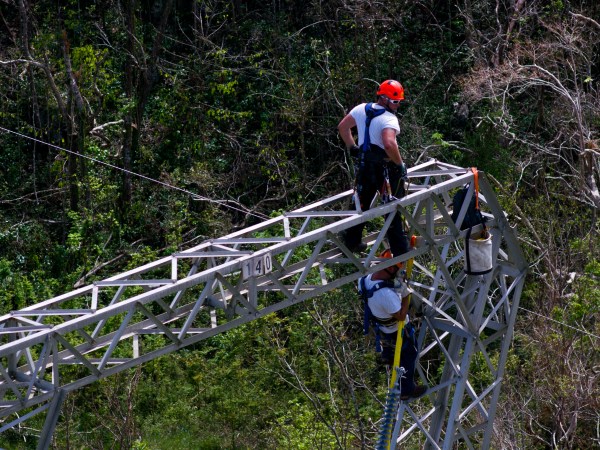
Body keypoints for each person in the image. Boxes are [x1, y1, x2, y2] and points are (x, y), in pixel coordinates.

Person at [338, 79, 409, 256]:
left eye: (398, 102)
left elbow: (343, 127)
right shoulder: (389, 119)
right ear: (384, 99)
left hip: (364, 166)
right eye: (395, 101)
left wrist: (353, 147)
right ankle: (399, 248)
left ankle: (351, 241)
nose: (397, 106)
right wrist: (399, 165)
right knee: (391, 206)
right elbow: (389, 144)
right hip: (384, 169)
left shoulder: (361, 109)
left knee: (361, 203)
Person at [359, 260, 426, 400]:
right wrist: (406, 295)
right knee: (409, 355)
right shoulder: (385, 295)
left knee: (390, 343)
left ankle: (388, 355)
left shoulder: (366, 278)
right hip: (395, 329)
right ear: (388, 270)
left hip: (381, 325)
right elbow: (401, 316)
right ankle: (407, 390)